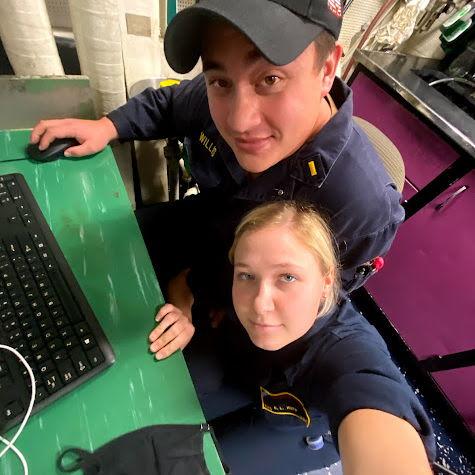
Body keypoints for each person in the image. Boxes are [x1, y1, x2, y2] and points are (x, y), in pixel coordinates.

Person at [30, 0, 404, 359]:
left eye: (270, 79)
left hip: (241, 308)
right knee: (67, 263)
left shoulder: (359, 207)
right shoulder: (221, 94)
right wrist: (107, 126)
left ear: (326, 69)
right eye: (221, 81)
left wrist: (206, 294)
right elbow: (170, 104)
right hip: (201, 228)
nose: (239, 121)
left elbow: (319, 305)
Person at [149, 201, 435, 474]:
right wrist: (183, 314)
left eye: (287, 277)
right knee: (163, 401)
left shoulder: (343, 348)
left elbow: (373, 395)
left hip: (293, 426)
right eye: (246, 276)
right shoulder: (244, 269)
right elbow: (185, 283)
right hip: (245, 378)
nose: (260, 303)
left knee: (200, 466)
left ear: (326, 282)